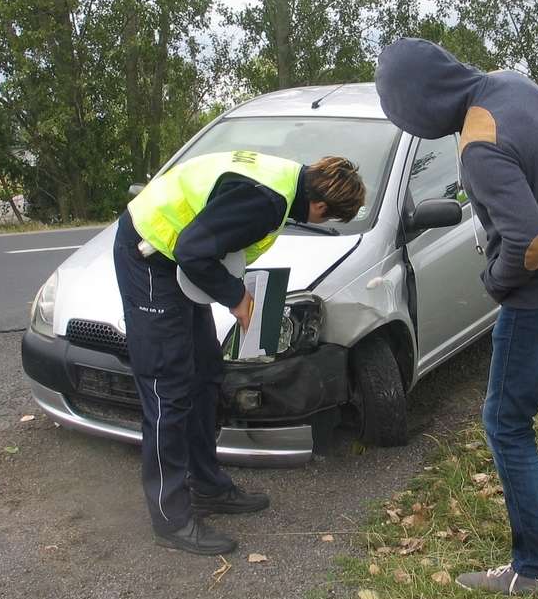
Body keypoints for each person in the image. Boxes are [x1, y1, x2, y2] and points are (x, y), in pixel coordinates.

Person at [375, 39, 538, 595]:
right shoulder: (513, 83)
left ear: (419, 103)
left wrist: (497, 283)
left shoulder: (479, 144)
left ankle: (534, 569)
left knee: (506, 422)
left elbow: (531, 240)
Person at [114, 150, 365, 555]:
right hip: (150, 257)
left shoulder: (284, 181)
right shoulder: (267, 200)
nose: (321, 222)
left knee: (204, 374)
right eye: (327, 217)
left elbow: (216, 241)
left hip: (176, 260)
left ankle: (207, 486)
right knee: (169, 386)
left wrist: (243, 288)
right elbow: (195, 250)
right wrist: (238, 299)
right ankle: (171, 519)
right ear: (319, 205)